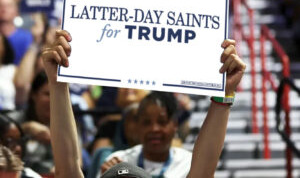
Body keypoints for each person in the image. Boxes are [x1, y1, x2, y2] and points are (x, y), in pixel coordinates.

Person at [42, 30, 246, 178]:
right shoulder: (120, 157)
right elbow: (67, 168)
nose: (154, 128)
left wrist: (224, 94)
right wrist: (57, 83)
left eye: (162, 121)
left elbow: (203, 170)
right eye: (147, 122)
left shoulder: (182, 161)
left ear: (174, 125)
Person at [0, 0, 33, 65]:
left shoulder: (27, 38)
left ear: (16, 11)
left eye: (9, 6)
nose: (4, 9)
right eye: (1, 6)